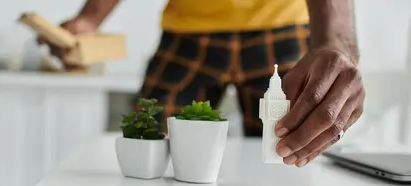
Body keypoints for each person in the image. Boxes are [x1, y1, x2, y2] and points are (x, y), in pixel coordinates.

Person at [38, 0, 365, 167]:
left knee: (291, 150)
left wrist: (334, 41)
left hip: (282, 25)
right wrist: (90, 19)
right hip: (189, 28)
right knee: (148, 137)